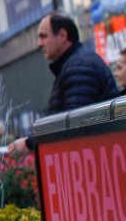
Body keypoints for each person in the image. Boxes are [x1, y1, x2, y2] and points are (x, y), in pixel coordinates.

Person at [9, 12, 119, 155]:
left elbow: (74, 122)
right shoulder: (75, 64)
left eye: (44, 36)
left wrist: (30, 143)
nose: (39, 43)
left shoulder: (78, 66)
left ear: (62, 36)